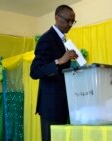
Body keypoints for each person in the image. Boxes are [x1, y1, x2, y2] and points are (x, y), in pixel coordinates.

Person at [29, 4, 78, 141]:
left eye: (72, 21)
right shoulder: (47, 39)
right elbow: (34, 71)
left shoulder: (63, 41)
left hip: (63, 104)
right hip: (51, 106)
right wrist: (59, 61)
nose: (70, 24)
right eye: (68, 20)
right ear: (57, 18)